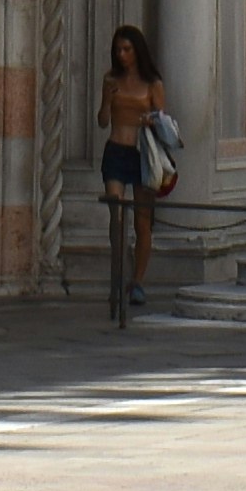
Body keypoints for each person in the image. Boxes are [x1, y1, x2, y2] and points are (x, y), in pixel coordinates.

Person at [96, 22, 176, 319]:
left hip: (143, 154)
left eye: (127, 49)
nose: (121, 54)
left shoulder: (153, 83)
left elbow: (163, 121)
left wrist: (151, 121)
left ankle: (138, 280)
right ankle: (117, 276)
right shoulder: (111, 80)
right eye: (118, 49)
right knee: (116, 215)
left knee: (143, 222)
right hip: (116, 150)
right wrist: (106, 98)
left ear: (137, 51)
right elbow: (103, 120)